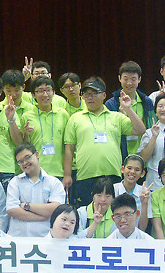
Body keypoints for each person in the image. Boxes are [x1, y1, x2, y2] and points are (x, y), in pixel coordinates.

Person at [62, 77, 146, 208]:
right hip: (85, 176)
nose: (90, 97)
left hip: (113, 175)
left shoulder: (116, 117)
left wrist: (128, 109)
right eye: (86, 94)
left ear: (104, 95)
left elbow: (140, 130)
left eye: (94, 93)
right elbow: (69, 149)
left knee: (114, 212)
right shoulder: (75, 118)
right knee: (88, 213)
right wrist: (67, 175)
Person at [5, 143, 67, 237]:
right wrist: (42, 216)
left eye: (27, 157)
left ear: (37, 154)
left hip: (44, 237)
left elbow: (56, 209)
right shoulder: (15, 182)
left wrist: (27, 206)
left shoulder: (54, 183)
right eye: (20, 162)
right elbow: (12, 210)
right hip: (17, 238)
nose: (25, 163)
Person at [19, 76, 70, 179]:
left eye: (48, 90)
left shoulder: (63, 114)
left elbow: (68, 146)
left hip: (58, 172)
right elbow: (24, 147)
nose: (45, 94)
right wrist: (27, 134)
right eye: (40, 91)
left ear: (54, 92)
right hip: (35, 172)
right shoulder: (26, 116)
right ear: (33, 95)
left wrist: (67, 174)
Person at [105, 61, 156, 159]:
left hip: (144, 155)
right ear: (119, 78)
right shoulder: (111, 104)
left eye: (133, 79)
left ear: (139, 79)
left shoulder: (147, 102)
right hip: (120, 156)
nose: (129, 83)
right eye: (126, 79)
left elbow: (151, 126)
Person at [113, 154, 149, 232]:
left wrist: (144, 203)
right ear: (122, 169)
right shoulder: (113, 189)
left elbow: (142, 227)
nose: (132, 172)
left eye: (137, 170)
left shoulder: (145, 193)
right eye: (129, 168)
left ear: (142, 173)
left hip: (136, 236)